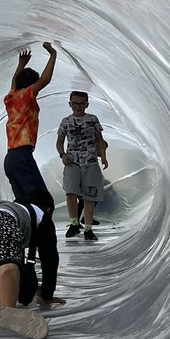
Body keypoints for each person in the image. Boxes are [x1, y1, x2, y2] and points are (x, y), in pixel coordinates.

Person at [0, 189, 64, 339]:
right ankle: (7, 312)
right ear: (49, 210)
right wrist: (46, 295)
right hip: (2, 219)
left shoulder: (16, 208)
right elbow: (50, 259)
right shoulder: (43, 217)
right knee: (9, 270)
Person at [2, 42, 57, 199]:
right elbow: (45, 80)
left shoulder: (10, 98)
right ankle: (41, 224)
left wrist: (21, 64)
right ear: (31, 86)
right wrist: (53, 54)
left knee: (23, 201)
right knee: (42, 200)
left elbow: (14, 83)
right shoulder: (26, 96)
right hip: (22, 155)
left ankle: (23, 223)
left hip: (10, 159)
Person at [56, 91, 108, 241]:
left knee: (89, 197)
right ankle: (73, 224)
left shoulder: (92, 119)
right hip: (72, 162)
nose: (78, 107)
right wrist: (62, 155)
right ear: (70, 104)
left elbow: (100, 140)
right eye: (75, 103)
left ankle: (88, 229)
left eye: (81, 104)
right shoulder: (66, 121)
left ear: (87, 104)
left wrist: (103, 156)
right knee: (70, 193)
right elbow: (59, 142)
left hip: (90, 162)